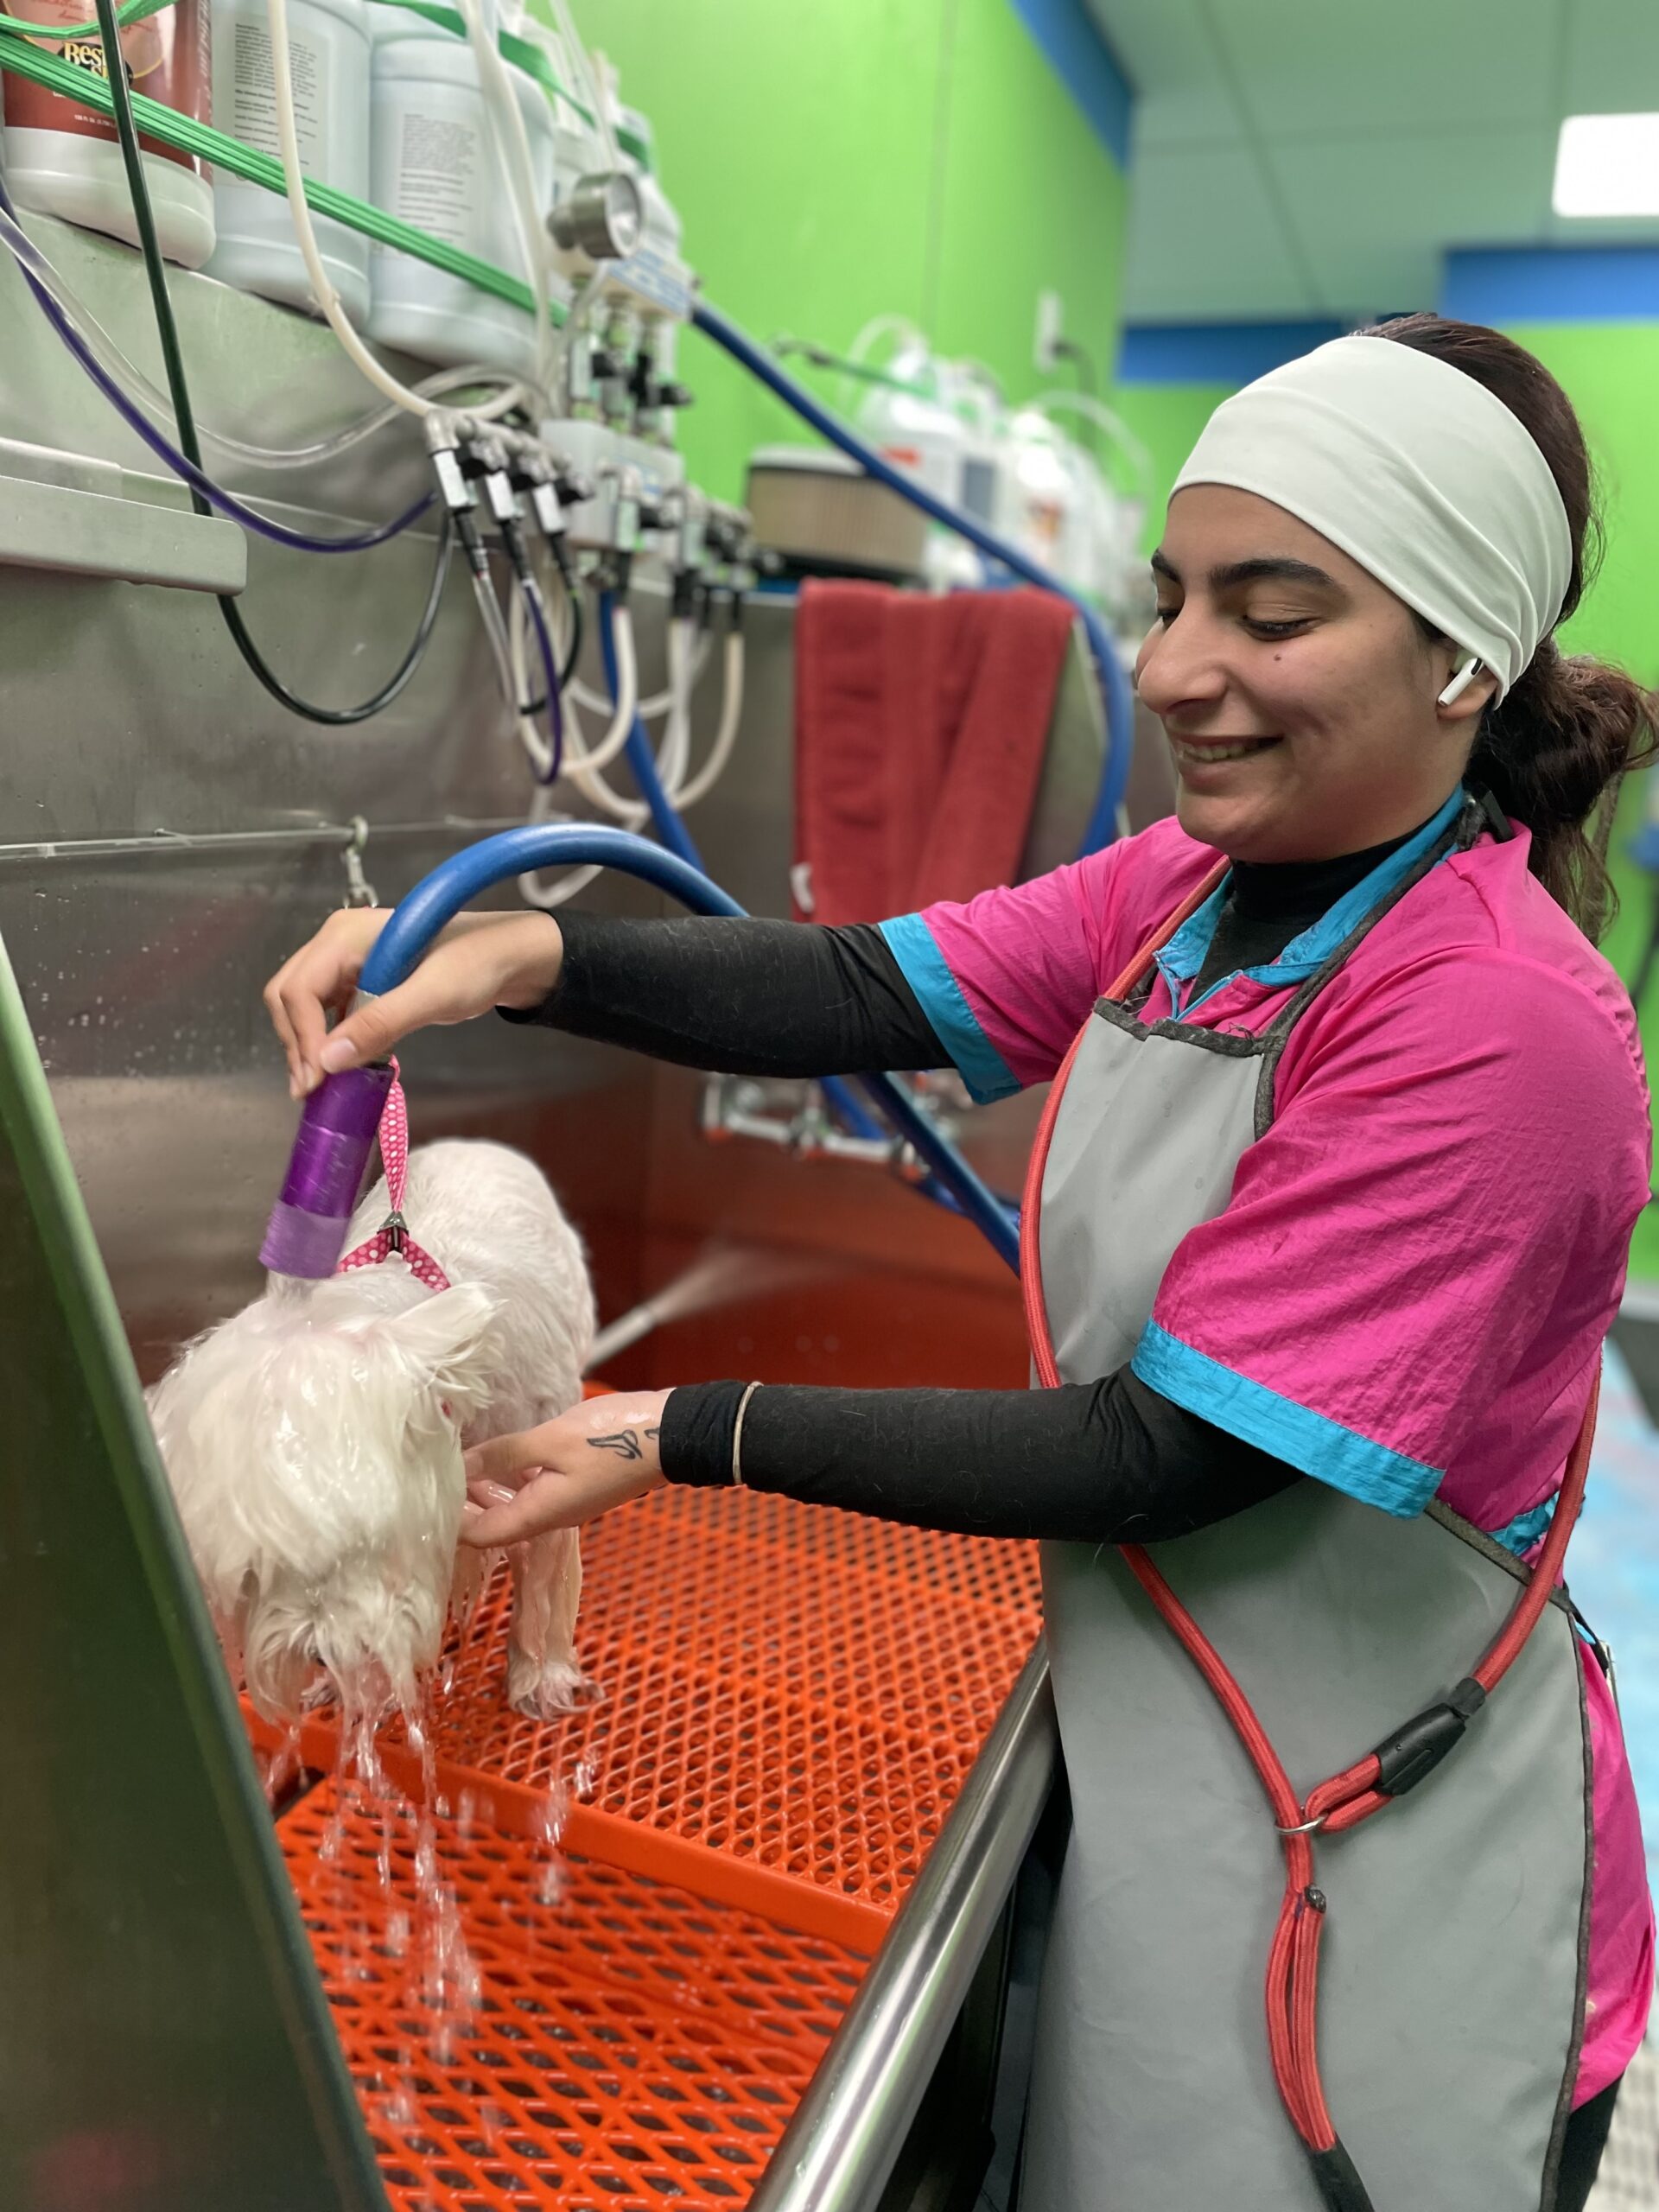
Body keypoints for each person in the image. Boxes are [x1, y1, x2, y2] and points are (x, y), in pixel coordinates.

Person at [266, 315, 1655, 2211]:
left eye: (1275, 610)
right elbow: (855, 983)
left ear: (1463, 656)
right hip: (1179, 1730)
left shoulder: (1498, 1024)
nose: (1175, 669)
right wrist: (524, 950)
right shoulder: (1189, 889)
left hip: (1387, 1836)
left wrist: (683, 1427)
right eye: (1174, 599)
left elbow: (1168, 1453)